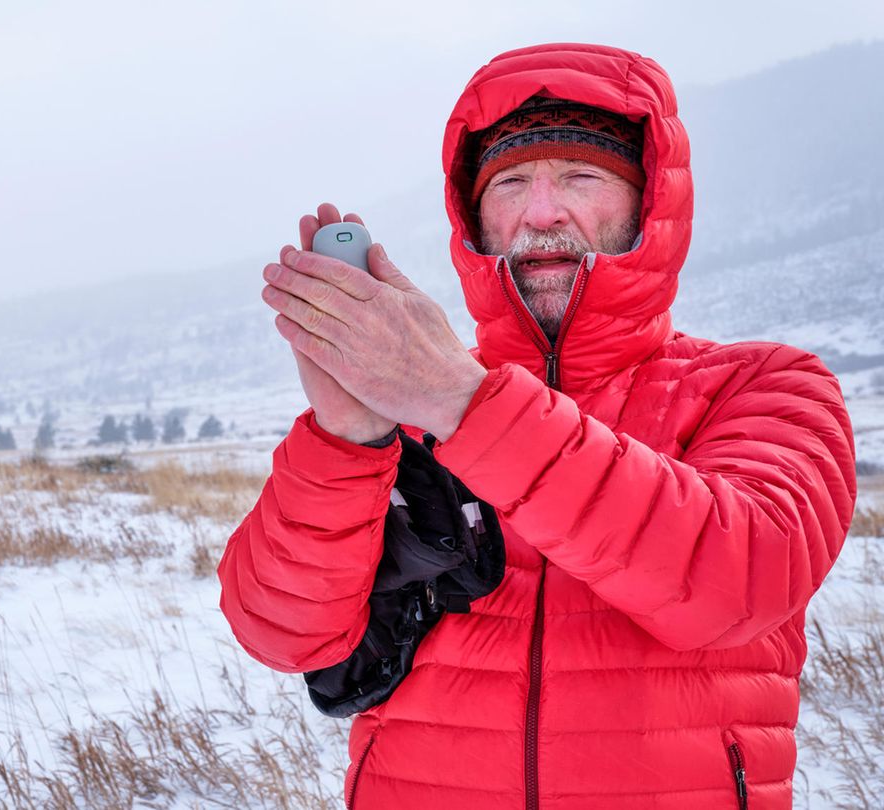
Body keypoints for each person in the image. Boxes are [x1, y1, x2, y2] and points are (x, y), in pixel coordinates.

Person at [217, 42, 857, 809]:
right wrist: (347, 437)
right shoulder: (412, 405)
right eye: (511, 183)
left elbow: (740, 580)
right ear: (475, 218)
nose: (542, 212)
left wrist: (465, 404)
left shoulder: (765, 385)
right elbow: (283, 635)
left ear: (650, 205)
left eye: (582, 178)